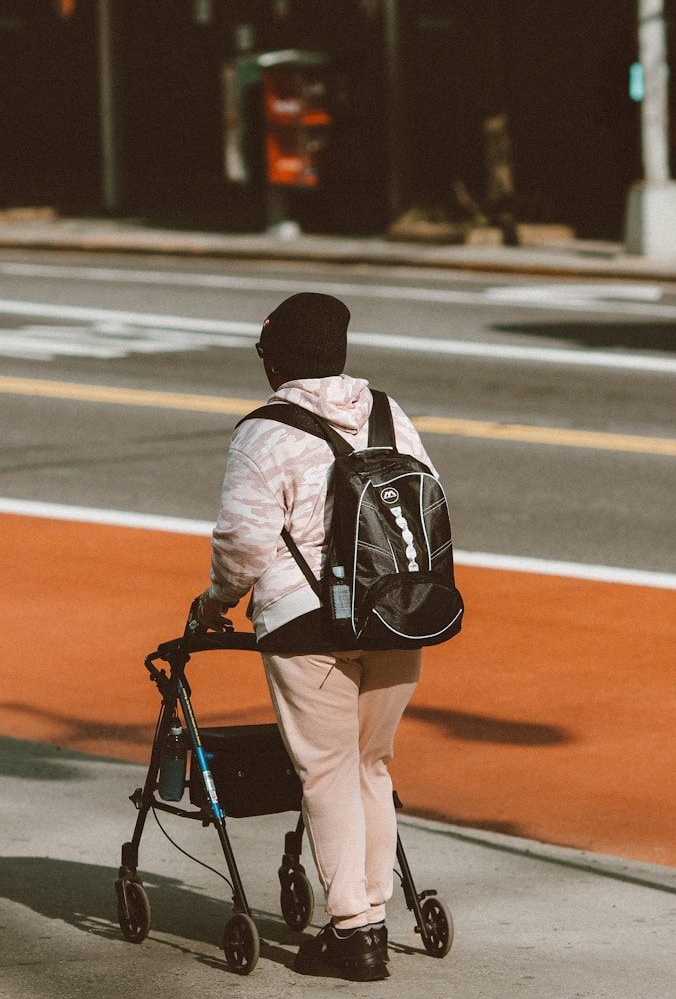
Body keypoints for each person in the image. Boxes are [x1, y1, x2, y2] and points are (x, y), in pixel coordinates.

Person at [195, 292, 436, 982]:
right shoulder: (389, 414)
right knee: (370, 767)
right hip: (398, 614)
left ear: (276, 358)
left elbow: (242, 542)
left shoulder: (265, 431)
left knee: (327, 773)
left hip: (308, 623)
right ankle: (375, 913)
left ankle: (355, 933)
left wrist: (215, 604)